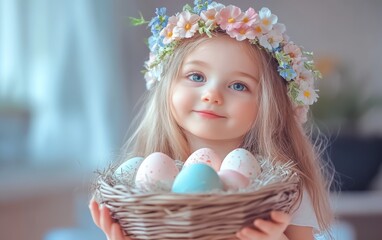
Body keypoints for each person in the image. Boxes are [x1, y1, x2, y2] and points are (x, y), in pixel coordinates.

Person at [89, 1, 334, 239]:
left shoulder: (282, 190)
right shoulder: (143, 182)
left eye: (239, 85)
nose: (212, 95)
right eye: (196, 76)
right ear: (167, 86)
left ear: (270, 106)